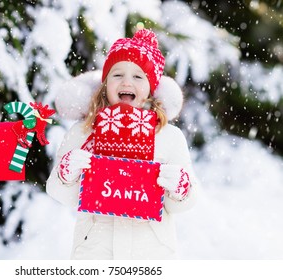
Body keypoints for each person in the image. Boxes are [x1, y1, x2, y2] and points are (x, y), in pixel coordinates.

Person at [46, 29, 198, 260]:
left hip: (150, 256)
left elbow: (184, 203)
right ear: (105, 83)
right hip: (95, 253)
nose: (127, 81)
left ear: (151, 88)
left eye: (138, 77)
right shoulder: (84, 131)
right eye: (117, 75)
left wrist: (180, 189)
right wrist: (67, 175)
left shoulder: (169, 136)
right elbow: (59, 192)